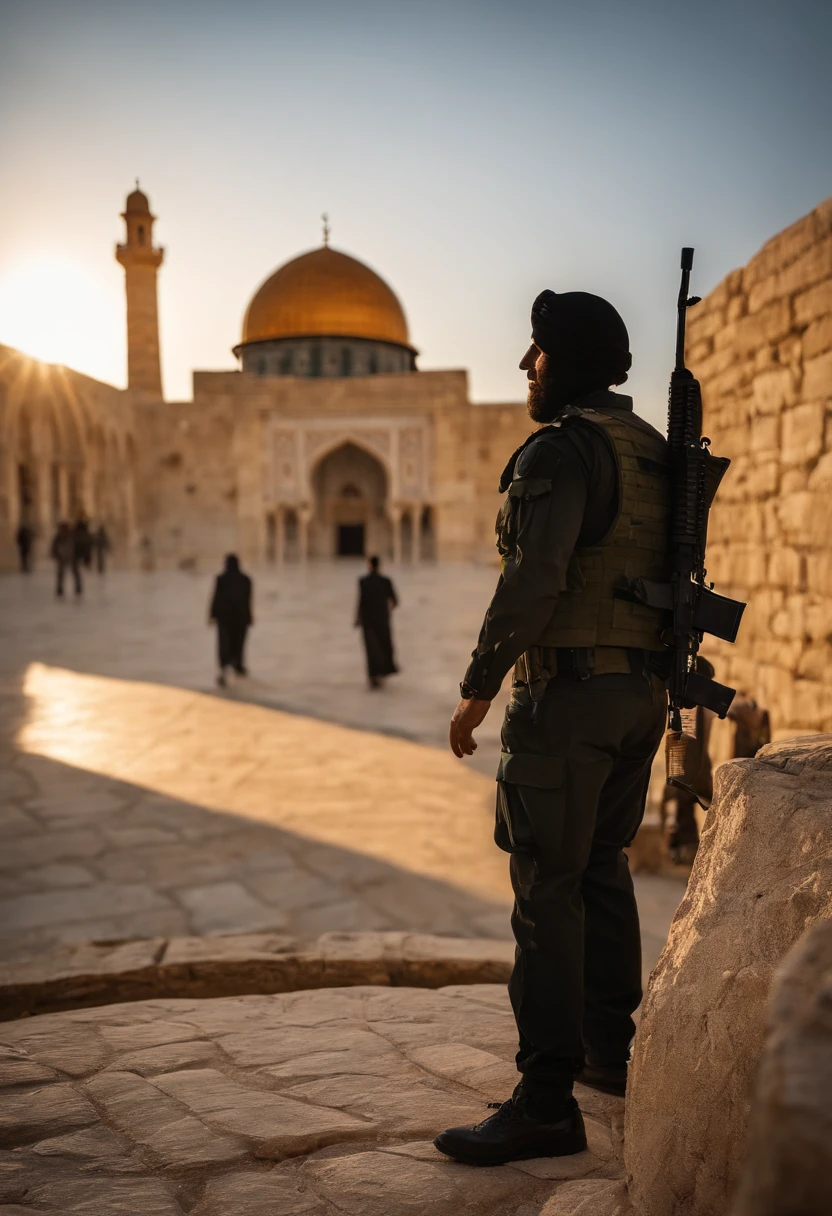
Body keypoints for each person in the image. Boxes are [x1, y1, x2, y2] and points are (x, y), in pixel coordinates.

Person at [434, 288, 672, 1166]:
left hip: (568, 702)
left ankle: (544, 1101)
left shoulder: (563, 452)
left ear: (561, 361)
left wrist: (477, 687)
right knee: (601, 871)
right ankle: (611, 1056)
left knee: (546, 891)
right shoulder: (652, 450)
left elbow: (532, 583)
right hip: (637, 695)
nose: (525, 366)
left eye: (535, 351)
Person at [209, 554, 253, 687]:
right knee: (239, 643)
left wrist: (212, 615)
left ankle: (225, 667)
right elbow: (248, 601)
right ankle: (237, 665)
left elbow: (216, 598)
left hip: (225, 618)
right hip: (241, 618)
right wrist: (249, 617)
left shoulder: (222, 579)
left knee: (224, 643)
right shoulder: (246, 580)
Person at [355, 555, 399, 689]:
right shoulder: (386, 581)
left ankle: (372, 676)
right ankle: (382, 673)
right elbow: (395, 601)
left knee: (370, 648)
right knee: (383, 646)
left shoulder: (363, 581)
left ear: (369, 565)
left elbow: (361, 602)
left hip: (368, 620)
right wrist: (388, 611)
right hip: (382, 619)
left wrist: (357, 619)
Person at [50, 521, 82, 597]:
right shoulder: (59, 536)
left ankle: (78, 588)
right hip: (62, 557)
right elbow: (54, 546)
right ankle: (60, 589)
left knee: (75, 573)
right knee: (61, 574)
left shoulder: (72, 535)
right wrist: (55, 554)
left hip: (72, 557)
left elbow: (77, 546)